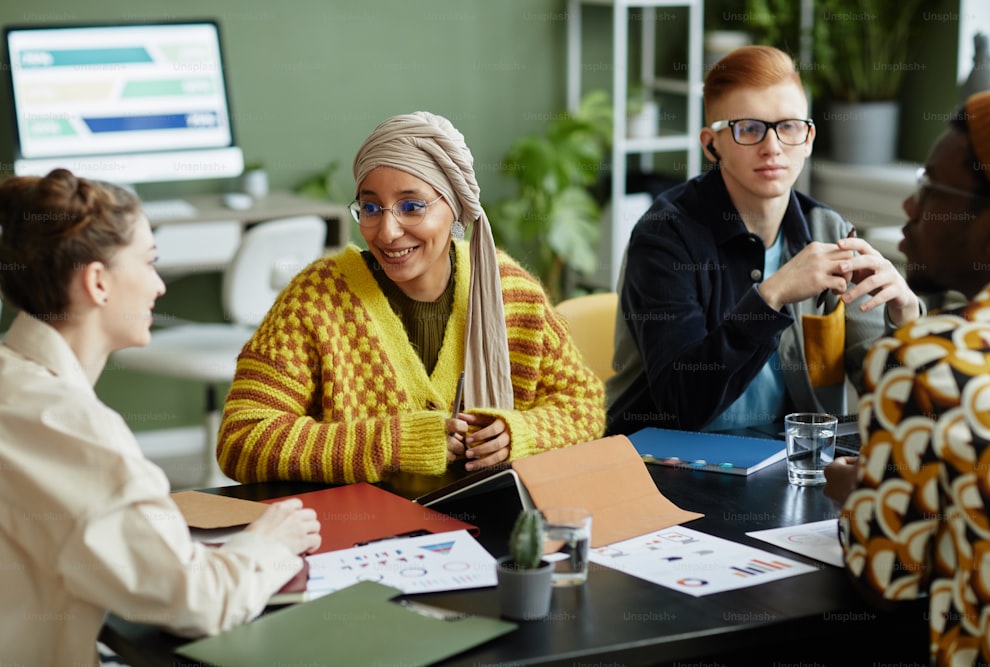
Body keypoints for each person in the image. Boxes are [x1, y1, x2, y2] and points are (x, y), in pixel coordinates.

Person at [0, 169, 322, 665]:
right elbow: (197, 602)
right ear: (98, 282)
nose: (158, 287)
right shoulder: (70, 428)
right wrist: (269, 542)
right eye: (150, 264)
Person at [217, 112, 606, 485]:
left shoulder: (514, 296)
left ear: (454, 206)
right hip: (359, 537)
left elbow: (584, 408)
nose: (386, 231)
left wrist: (520, 432)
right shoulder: (315, 300)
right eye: (370, 208)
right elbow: (242, 437)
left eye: (412, 207)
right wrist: (394, 443)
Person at [605, 45, 923, 436]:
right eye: (749, 129)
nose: (772, 147)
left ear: (808, 139)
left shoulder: (833, 234)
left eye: (788, 126)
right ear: (711, 144)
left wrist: (905, 318)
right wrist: (770, 298)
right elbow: (681, 405)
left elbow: (891, 401)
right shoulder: (663, 239)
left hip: (790, 466)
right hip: (664, 469)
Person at [824, 89, 990, 666]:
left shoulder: (928, 360)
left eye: (929, 187)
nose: (908, 205)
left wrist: (861, 499)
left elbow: (887, 583)